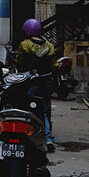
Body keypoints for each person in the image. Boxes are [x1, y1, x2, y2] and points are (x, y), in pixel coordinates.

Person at [15, 18, 57, 152]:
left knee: (27, 108)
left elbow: (19, 62)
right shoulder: (49, 46)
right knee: (44, 111)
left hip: (29, 82)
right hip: (45, 82)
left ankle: (29, 136)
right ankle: (48, 138)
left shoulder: (25, 45)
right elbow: (54, 64)